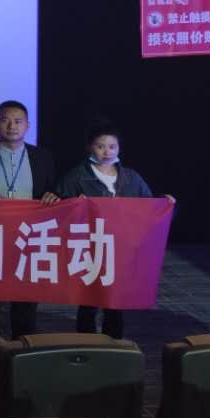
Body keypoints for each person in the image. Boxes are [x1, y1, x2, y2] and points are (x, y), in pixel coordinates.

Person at [0, 101, 60, 378]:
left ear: (28, 125)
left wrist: (54, 195)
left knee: (25, 307)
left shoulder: (43, 157)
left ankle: (22, 366)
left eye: (18, 121)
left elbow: (54, 190)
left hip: (29, 239)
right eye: (5, 120)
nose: (12, 126)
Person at [57, 121, 156, 339]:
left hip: (119, 248)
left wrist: (165, 203)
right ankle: (86, 344)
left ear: (119, 148)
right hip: (89, 247)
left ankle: (113, 345)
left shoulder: (131, 177)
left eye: (112, 146)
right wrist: (73, 204)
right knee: (88, 300)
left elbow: (149, 207)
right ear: (90, 147)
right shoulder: (76, 176)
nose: (107, 151)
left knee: (115, 302)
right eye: (100, 146)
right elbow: (60, 209)